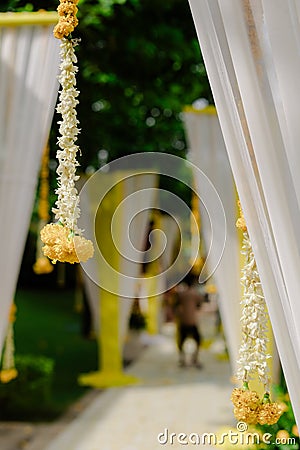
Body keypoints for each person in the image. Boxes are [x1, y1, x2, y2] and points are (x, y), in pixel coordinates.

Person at [173, 272, 205, 368]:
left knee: (181, 341)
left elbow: (175, 305)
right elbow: (200, 304)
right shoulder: (195, 294)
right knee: (198, 340)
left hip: (183, 320)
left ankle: (182, 359)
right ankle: (194, 358)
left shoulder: (181, 294)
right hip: (192, 321)